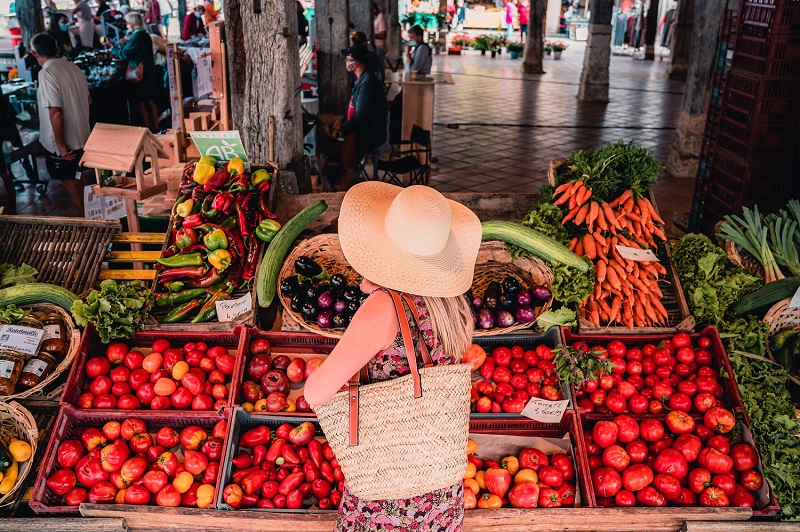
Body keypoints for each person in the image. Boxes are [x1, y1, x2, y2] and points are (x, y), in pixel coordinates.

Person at [304, 182, 481, 532]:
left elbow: (316, 393)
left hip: (390, 492)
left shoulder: (383, 309)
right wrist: (380, 283)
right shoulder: (452, 304)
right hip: (440, 490)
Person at [30, 33, 91, 213]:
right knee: (78, 178)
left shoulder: (47, 73)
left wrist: (61, 145)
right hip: (82, 136)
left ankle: (89, 224)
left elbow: (55, 111)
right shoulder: (74, 67)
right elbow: (88, 101)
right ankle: (94, 218)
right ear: (57, 49)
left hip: (65, 142)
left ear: (34, 53)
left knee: (70, 181)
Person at [328, 44, 387, 191]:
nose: (346, 62)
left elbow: (360, 119)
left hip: (370, 134)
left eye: (348, 59)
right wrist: (341, 122)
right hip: (365, 129)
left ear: (356, 63)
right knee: (330, 133)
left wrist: (341, 127)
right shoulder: (362, 80)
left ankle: (346, 178)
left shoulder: (367, 84)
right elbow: (354, 109)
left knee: (341, 142)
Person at [110, 12, 160, 131]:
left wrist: (114, 47)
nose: (127, 25)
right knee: (150, 101)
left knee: (141, 102)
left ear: (132, 23)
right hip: (148, 71)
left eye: (127, 22)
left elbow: (124, 54)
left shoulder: (137, 36)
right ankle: (157, 126)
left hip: (139, 74)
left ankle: (147, 128)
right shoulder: (144, 35)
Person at [372, 2, 386, 82]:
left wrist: (372, 35)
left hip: (379, 47)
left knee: (380, 67)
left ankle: (381, 83)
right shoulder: (376, 18)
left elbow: (383, 35)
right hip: (376, 46)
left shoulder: (381, 18)